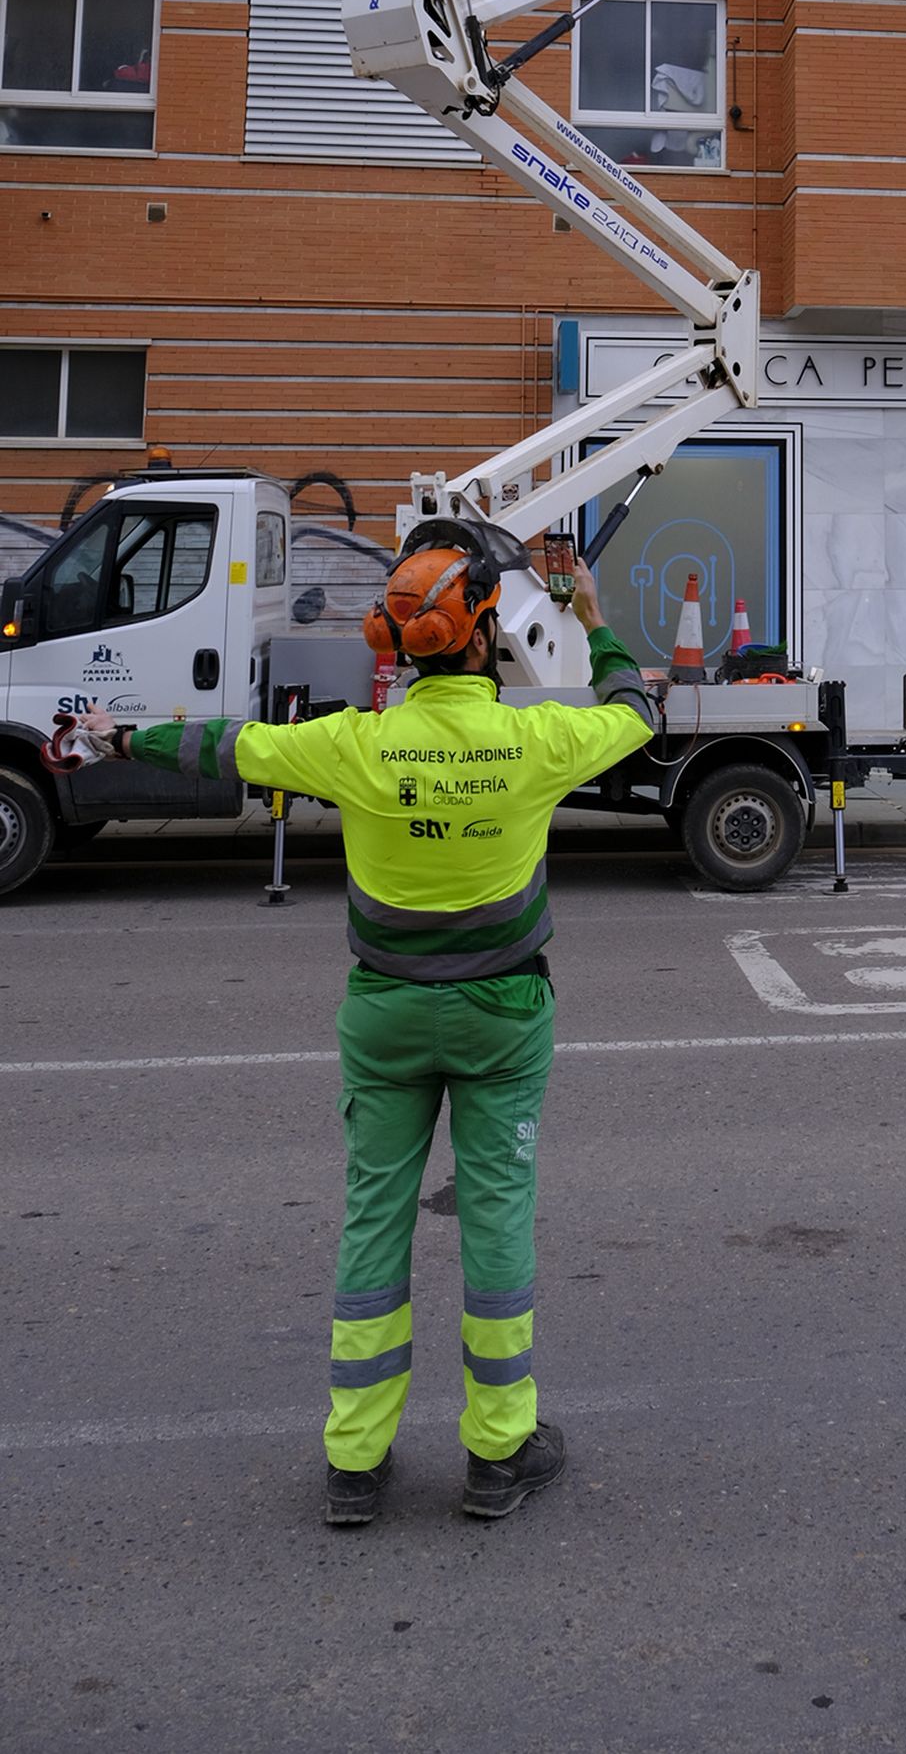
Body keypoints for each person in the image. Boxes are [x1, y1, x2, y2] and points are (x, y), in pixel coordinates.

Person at [77, 530, 657, 1528]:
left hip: (384, 1016)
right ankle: (497, 1449)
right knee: (498, 1218)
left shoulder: (354, 743)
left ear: (400, 641)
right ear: (484, 642)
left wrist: (117, 736)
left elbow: (225, 745)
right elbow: (635, 711)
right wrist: (589, 614)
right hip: (503, 1016)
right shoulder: (535, 742)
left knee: (373, 1220)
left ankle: (354, 1460)